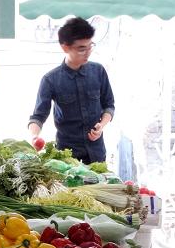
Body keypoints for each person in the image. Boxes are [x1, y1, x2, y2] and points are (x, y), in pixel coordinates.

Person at [28, 17, 115, 164]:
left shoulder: (98, 71)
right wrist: (34, 137)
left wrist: (101, 125)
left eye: (90, 46)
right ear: (65, 47)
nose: (87, 52)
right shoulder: (50, 80)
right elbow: (37, 117)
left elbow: (109, 105)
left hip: (97, 153)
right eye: (81, 48)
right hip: (66, 158)